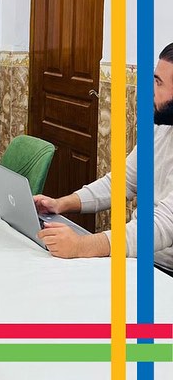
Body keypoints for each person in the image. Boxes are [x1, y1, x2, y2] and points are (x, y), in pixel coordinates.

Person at [34, 43, 173, 273]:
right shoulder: (161, 125)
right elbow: (123, 182)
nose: (151, 89)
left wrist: (81, 245)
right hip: (139, 260)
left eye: (158, 83)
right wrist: (60, 204)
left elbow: (164, 224)